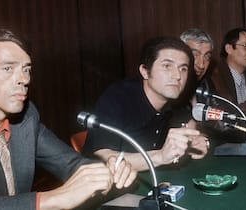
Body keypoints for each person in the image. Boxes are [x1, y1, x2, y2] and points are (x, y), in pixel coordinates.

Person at [0, 29, 137, 210]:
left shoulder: (26, 116)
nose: (24, 79)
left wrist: (105, 171)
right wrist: (51, 200)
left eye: (26, 69)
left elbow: (70, 163)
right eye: (8, 68)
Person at [82, 37, 209, 172]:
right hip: (102, 185)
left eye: (183, 68)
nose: (177, 76)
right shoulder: (117, 97)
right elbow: (105, 156)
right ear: (145, 71)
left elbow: (189, 122)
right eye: (167, 66)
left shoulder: (174, 98)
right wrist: (160, 156)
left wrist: (197, 140)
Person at [180, 28, 215, 106]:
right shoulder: (167, 91)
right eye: (194, 55)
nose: (201, 65)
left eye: (207, 57)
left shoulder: (208, 88)